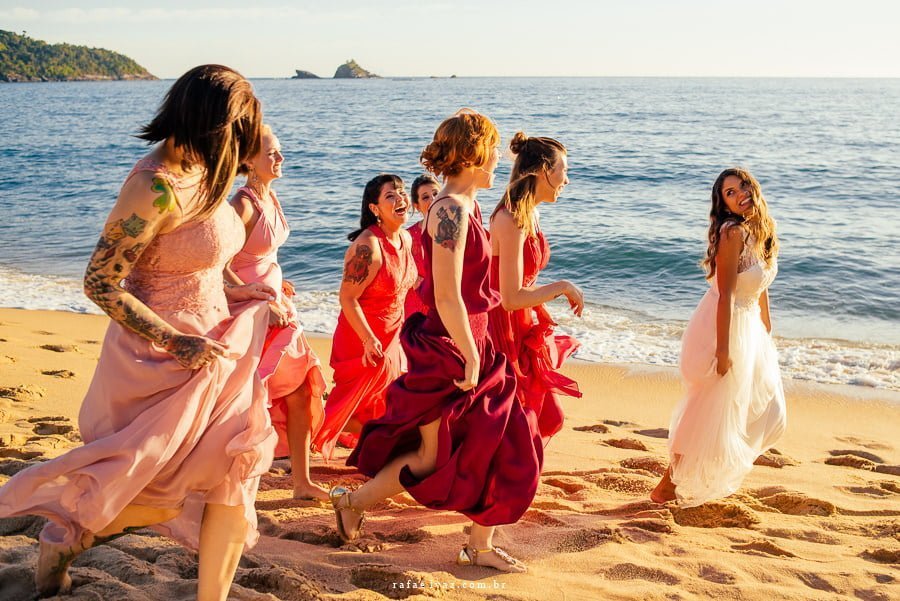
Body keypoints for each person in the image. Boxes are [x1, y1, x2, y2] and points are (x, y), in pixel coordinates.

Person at [0, 65, 278, 600]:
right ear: (210, 123)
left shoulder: (205, 172)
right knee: (152, 488)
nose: (241, 146)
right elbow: (100, 282)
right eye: (237, 131)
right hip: (161, 359)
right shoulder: (154, 186)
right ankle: (66, 538)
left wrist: (241, 293)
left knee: (229, 473)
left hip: (221, 349)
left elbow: (202, 258)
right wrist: (176, 341)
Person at [331, 110, 542, 573]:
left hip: (474, 342)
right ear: (472, 153)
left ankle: (480, 545)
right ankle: (352, 502)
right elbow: (446, 294)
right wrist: (469, 355)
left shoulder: (471, 204)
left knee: (507, 438)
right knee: (429, 455)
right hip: (449, 347)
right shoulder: (449, 210)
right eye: (492, 150)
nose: (496, 160)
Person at [651, 167, 787, 507]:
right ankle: (668, 483)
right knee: (710, 405)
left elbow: (760, 282)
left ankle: (688, 475)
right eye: (730, 192)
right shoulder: (732, 233)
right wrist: (723, 352)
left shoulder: (760, 229)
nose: (740, 192)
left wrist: (766, 326)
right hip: (720, 326)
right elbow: (726, 295)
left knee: (765, 408)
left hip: (749, 324)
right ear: (724, 205)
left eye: (742, 185)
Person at [226, 124, 328, 501]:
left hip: (278, 306)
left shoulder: (270, 197)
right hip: (251, 312)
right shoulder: (244, 204)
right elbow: (218, 261)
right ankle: (229, 477)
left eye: (279, 151)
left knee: (302, 388)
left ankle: (301, 482)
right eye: (272, 153)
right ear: (250, 160)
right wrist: (253, 296)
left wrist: (277, 282)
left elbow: (262, 254)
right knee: (250, 397)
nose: (280, 158)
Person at [310, 174, 417, 459]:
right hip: (362, 338)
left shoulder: (405, 239)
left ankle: (377, 447)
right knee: (349, 406)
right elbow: (347, 298)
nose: (400, 199)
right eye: (390, 196)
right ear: (374, 208)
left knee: (382, 402)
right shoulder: (367, 247)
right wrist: (369, 339)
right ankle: (303, 435)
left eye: (402, 193)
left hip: (392, 334)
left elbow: (410, 285)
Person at [488, 132, 584, 442]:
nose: (566, 180)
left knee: (545, 416)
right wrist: (563, 286)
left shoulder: (530, 214)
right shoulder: (510, 218)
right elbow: (510, 297)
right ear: (544, 171)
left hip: (523, 321)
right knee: (524, 417)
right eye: (563, 170)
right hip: (503, 326)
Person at [404, 174, 441, 318]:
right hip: (417, 303)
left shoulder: (455, 231)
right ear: (416, 205)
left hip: (449, 301)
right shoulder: (408, 236)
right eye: (425, 197)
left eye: (436, 194)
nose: (432, 199)